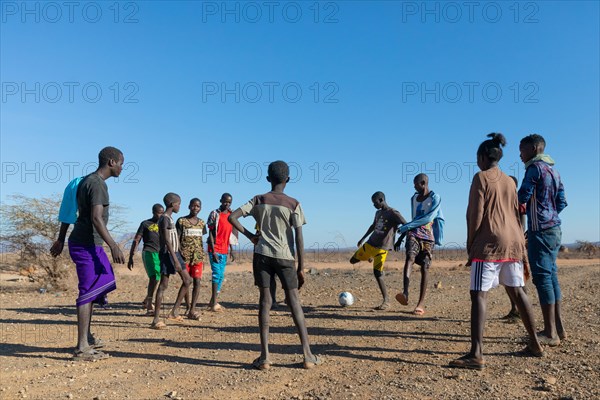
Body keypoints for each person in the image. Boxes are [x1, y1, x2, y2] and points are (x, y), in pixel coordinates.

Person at [449, 133, 543, 370]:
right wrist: (520, 242)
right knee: (518, 291)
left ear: (482, 157)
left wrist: (471, 244)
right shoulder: (510, 181)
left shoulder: (481, 178)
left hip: (489, 243)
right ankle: (535, 343)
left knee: (479, 294)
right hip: (513, 241)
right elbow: (516, 211)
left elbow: (475, 215)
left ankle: (476, 354)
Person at [228, 160, 321, 370]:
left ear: (268, 178)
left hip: (262, 255)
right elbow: (298, 237)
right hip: (285, 257)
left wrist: (252, 236)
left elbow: (232, 217)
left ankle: (265, 357)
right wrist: (301, 267)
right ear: (288, 179)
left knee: (265, 301)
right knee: (294, 301)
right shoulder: (294, 203)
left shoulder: (259, 199)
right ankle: (307, 355)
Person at [64, 147, 126, 361]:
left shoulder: (87, 181)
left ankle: (86, 339)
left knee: (100, 282)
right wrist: (114, 245)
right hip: (85, 244)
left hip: (88, 243)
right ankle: (81, 348)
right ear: (111, 162)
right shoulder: (97, 184)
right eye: (120, 163)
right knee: (87, 291)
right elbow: (96, 218)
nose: (121, 168)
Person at [518, 134, 568, 346]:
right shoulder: (554, 170)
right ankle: (558, 327)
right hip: (554, 228)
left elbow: (522, 197)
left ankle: (549, 333)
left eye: (523, 150)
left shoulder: (534, 169)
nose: (520, 155)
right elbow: (562, 202)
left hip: (541, 231)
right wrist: (548, 216)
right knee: (552, 276)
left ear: (535, 148)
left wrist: (536, 220)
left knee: (543, 278)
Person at [394, 173, 444, 315]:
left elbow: (429, 217)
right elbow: (413, 220)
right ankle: (405, 293)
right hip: (414, 233)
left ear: (423, 183)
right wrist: (402, 236)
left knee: (425, 268)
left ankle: (420, 304)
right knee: (409, 258)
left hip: (428, 236)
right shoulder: (414, 199)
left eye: (415, 183)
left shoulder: (435, 198)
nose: (414, 186)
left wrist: (404, 228)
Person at [350, 192, 407, 310]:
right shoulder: (378, 212)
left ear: (381, 199)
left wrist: (399, 240)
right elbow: (373, 226)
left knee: (377, 274)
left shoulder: (393, 213)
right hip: (371, 243)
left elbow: (406, 225)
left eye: (375, 202)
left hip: (382, 247)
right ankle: (370, 257)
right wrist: (363, 238)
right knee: (353, 260)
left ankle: (386, 301)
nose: (373, 205)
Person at [150, 193, 192, 329]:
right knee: (163, 285)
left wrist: (180, 253)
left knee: (188, 280)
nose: (179, 206)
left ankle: (174, 311)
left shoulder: (170, 219)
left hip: (175, 253)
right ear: (171, 204)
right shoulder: (164, 219)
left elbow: (174, 238)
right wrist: (175, 259)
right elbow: (167, 240)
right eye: (178, 203)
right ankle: (156, 319)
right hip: (168, 255)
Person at [501, 176, 530, 323]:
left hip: (516, 244)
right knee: (509, 280)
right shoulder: (506, 200)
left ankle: (521, 312)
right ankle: (514, 309)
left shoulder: (519, 201)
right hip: (508, 243)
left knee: (518, 280)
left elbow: (521, 224)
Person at [128, 204, 164, 315]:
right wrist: (131, 256)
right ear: (153, 212)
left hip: (161, 254)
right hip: (149, 252)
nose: (161, 215)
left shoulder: (164, 224)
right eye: (159, 213)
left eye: (162, 213)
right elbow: (136, 240)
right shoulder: (145, 224)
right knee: (153, 277)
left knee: (159, 278)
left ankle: (147, 299)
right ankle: (149, 305)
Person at [176, 198, 207, 320]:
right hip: (185, 256)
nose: (195, 208)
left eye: (198, 206)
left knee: (197, 282)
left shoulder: (202, 223)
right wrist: (179, 253)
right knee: (186, 282)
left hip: (198, 257)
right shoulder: (182, 221)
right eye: (193, 206)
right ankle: (187, 307)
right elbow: (177, 238)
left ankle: (193, 309)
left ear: (200, 208)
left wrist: (202, 256)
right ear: (189, 206)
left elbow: (200, 241)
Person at [206, 193, 238, 312]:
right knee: (216, 273)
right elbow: (210, 232)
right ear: (220, 200)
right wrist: (213, 250)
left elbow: (230, 234)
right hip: (215, 249)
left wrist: (232, 250)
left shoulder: (231, 215)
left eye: (229, 202)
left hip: (224, 249)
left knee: (221, 276)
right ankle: (214, 303)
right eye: (225, 201)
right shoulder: (215, 214)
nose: (227, 204)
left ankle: (213, 301)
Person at [50, 176, 84, 257]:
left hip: (96, 242)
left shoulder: (100, 185)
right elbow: (68, 211)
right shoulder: (79, 183)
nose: (121, 168)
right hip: (83, 242)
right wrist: (61, 239)